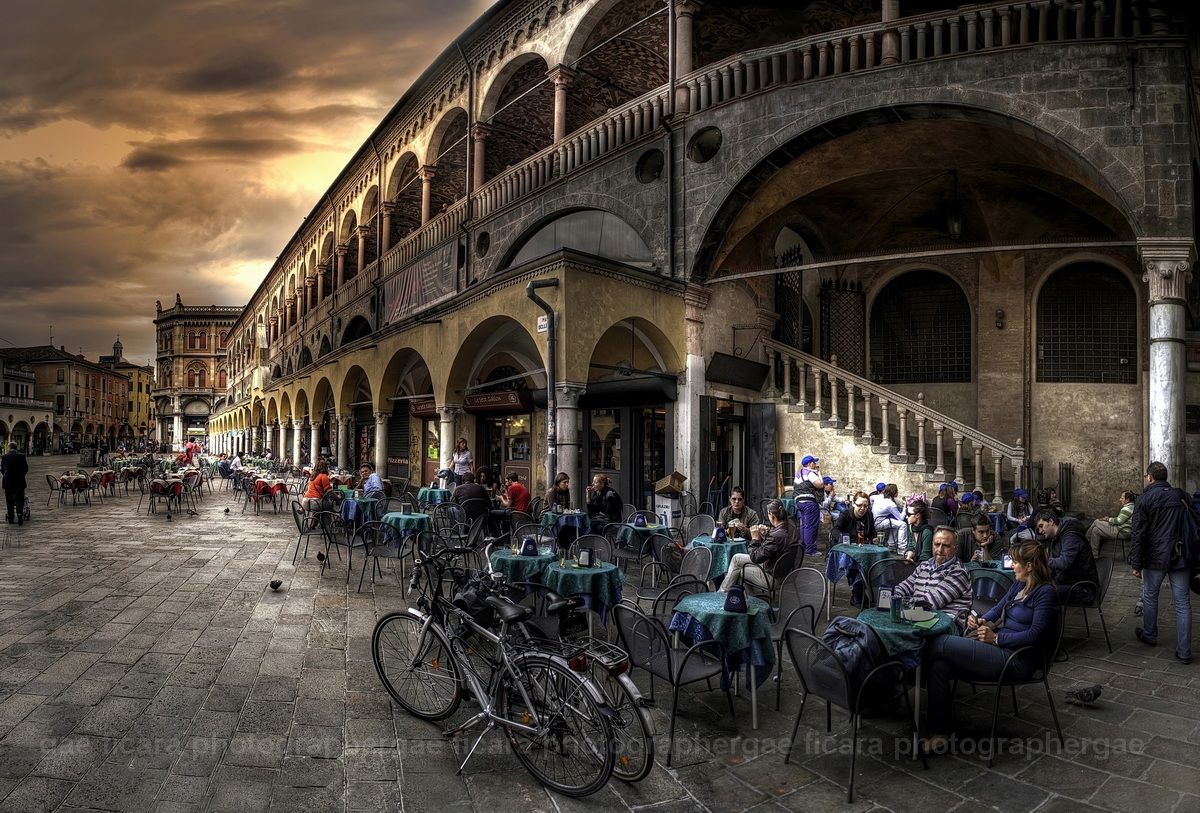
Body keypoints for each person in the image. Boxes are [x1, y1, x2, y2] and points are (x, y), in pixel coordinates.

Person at [922, 541, 1061, 752]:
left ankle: (899, 675)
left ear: (1030, 566)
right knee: (939, 666)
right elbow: (997, 609)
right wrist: (979, 619)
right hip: (999, 651)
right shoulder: (1018, 585)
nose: (1011, 565)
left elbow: (1036, 635)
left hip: (1019, 660)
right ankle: (941, 732)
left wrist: (996, 639)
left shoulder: (1046, 593)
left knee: (940, 643)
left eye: (1015, 562)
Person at [1130, 461, 1193, 664]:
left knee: (1150, 596)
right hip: (1180, 554)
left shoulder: (1144, 499)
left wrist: (1136, 563)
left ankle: (1150, 634)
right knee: (1183, 603)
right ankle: (1184, 651)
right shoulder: (1180, 495)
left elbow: (1138, 534)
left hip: (1154, 557)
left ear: (1150, 477)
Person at [892, 527, 972, 620]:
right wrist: (895, 600)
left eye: (946, 545)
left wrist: (900, 605)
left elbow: (930, 603)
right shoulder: (924, 566)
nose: (940, 550)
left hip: (946, 625)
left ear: (955, 549)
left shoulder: (959, 572)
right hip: (917, 618)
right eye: (937, 544)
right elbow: (903, 587)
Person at [719, 500, 795, 592]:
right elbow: (776, 544)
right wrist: (767, 534)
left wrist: (755, 538)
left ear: (771, 515)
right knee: (736, 558)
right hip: (784, 570)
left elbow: (755, 557)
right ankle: (747, 597)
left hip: (773, 577)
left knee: (738, 569)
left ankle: (723, 594)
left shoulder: (776, 536)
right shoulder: (791, 526)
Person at [1033, 510, 1099, 604]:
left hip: (1083, 588)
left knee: (1042, 593)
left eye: (1041, 526)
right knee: (1036, 586)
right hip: (1069, 581)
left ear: (1051, 522)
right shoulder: (1057, 537)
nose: (1040, 531)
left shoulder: (1070, 536)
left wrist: (1042, 560)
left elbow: (1064, 562)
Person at [1086, 490, 1135, 557]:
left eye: (1122, 498)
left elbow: (1118, 521)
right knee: (1095, 530)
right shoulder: (1133, 506)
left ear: (1127, 500)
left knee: (1096, 521)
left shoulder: (1127, 508)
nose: (1120, 499)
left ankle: (1085, 540)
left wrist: (1107, 519)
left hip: (1121, 531)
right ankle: (1094, 556)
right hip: (1124, 530)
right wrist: (1109, 519)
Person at [792, 454, 823, 557]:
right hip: (809, 502)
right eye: (814, 462)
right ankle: (810, 550)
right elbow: (820, 484)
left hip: (799, 502)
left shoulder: (799, 473)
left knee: (804, 525)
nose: (815, 464)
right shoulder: (810, 473)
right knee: (811, 526)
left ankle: (804, 547)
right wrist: (819, 473)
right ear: (809, 464)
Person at [870, 483, 906, 550]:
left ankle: (892, 544)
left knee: (895, 523)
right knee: (903, 524)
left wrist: (871, 506)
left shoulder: (877, 497)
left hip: (873, 520)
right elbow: (901, 518)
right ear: (894, 493)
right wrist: (905, 507)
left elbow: (870, 498)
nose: (898, 492)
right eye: (897, 491)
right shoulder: (891, 504)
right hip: (878, 523)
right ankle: (902, 548)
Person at [1, 442, 29, 526]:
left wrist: (6, 476)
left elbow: (2, 469)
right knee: (19, 499)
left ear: (9, 447)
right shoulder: (21, 456)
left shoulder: (5, 457)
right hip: (19, 481)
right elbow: (26, 468)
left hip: (8, 482)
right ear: (16, 448)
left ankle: (11, 518)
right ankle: (20, 514)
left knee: (9, 500)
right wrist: (21, 475)